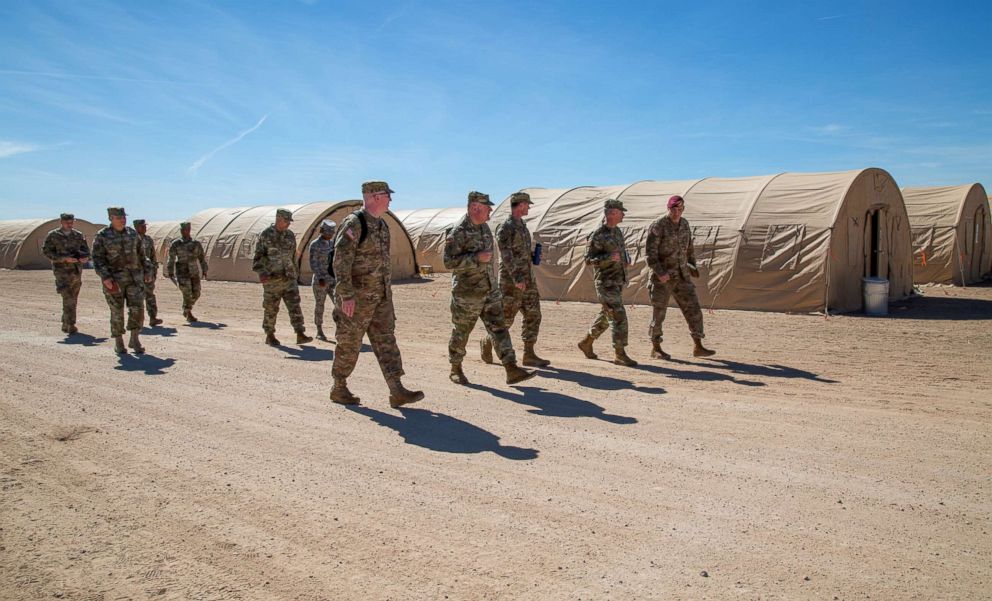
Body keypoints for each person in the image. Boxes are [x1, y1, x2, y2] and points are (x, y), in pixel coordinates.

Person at [329, 181, 423, 408]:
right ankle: (339, 387)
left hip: (380, 297)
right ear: (373, 197)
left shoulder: (382, 226)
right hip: (357, 298)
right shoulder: (355, 223)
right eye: (387, 195)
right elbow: (340, 261)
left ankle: (396, 389)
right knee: (349, 342)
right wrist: (346, 294)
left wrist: (386, 295)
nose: (390, 200)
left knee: (386, 341)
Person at [444, 191, 536, 386]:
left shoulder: (485, 228)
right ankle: (456, 368)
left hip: (489, 290)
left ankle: (511, 368)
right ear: (475, 208)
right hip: (467, 294)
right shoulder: (458, 232)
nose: (491, 210)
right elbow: (448, 262)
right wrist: (475, 258)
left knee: (499, 328)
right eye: (487, 207)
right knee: (462, 332)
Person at [481, 191, 550, 367]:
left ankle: (529, 354)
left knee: (534, 314)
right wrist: (518, 277)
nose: (528, 207)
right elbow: (506, 256)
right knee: (506, 319)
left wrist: (532, 255)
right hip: (512, 281)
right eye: (527, 204)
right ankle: (487, 342)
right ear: (519, 205)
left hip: (528, 279)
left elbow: (519, 252)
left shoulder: (522, 226)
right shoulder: (505, 228)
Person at [645, 195, 715, 359]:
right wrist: (660, 273)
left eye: (680, 209)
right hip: (662, 278)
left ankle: (698, 346)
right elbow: (650, 255)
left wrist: (691, 265)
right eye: (674, 209)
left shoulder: (685, 224)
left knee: (694, 309)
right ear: (668, 209)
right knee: (659, 313)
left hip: (682, 276)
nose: (677, 212)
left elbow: (688, 248)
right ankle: (656, 348)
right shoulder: (658, 226)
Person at [577, 199, 637, 366]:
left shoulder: (617, 232)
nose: (623, 214)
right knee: (618, 316)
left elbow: (620, 253)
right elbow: (588, 260)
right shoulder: (598, 235)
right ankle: (620, 353)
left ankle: (586, 342)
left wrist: (625, 260)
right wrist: (608, 258)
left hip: (617, 281)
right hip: (605, 283)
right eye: (621, 211)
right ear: (611, 213)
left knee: (607, 315)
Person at [91, 207, 153, 354]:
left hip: (134, 279)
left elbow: (142, 255)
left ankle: (135, 339)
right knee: (117, 312)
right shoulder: (103, 236)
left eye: (123, 217)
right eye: (119, 218)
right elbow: (97, 259)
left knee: (137, 309)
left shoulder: (132, 234)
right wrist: (105, 277)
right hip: (114, 280)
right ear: (111, 219)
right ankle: (119, 342)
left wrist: (148, 270)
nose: (122, 220)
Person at [252, 209, 313, 345]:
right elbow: (257, 257)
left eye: (289, 222)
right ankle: (270, 334)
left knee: (295, 306)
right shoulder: (266, 235)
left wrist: (295, 273)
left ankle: (300, 333)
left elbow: (293, 256)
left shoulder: (290, 236)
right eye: (286, 221)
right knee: (271, 308)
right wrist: (262, 273)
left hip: (289, 278)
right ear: (278, 219)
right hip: (272, 279)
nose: (288, 224)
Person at [42, 213, 90, 335]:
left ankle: (65, 322)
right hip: (61, 272)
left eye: (71, 222)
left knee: (73, 297)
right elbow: (46, 251)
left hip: (76, 271)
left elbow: (86, 251)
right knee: (67, 297)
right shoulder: (53, 235)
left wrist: (85, 258)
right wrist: (64, 258)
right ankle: (71, 324)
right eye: (67, 222)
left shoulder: (78, 235)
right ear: (61, 222)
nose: (69, 224)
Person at [166, 222, 209, 323]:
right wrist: (170, 271)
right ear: (181, 231)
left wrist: (205, 269)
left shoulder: (196, 244)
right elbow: (171, 258)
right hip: (182, 273)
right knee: (187, 293)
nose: (185, 231)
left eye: (187, 229)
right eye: (183, 229)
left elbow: (202, 258)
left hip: (194, 272)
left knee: (197, 293)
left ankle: (186, 307)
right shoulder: (176, 244)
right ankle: (188, 313)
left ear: (189, 230)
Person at [308, 219, 336, 341]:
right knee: (320, 305)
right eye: (328, 232)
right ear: (321, 231)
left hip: (332, 280)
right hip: (321, 281)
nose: (330, 235)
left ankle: (340, 329)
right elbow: (313, 263)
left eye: (332, 233)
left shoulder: (332, 244)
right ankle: (319, 329)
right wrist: (320, 278)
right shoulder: (315, 245)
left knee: (339, 304)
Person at [133, 219, 162, 326]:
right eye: (142, 226)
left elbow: (153, 256)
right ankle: (137, 320)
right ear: (136, 227)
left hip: (148, 272)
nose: (145, 228)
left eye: (145, 226)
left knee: (150, 295)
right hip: (136, 273)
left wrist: (154, 270)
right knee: (136, 297)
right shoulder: (131, 239)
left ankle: (153, 317)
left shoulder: (148, 239)